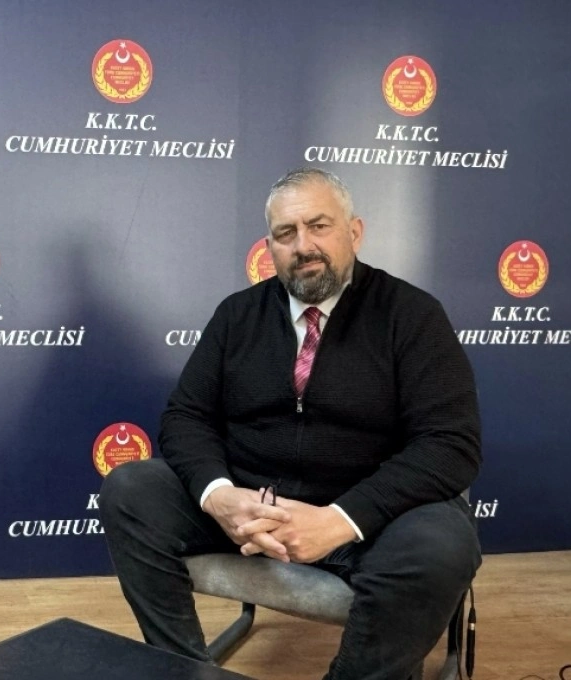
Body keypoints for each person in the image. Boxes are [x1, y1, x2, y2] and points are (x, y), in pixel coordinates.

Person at [100, 167, 481, 679]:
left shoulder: (412, 315)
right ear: (270, 247)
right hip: (250, 508)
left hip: (366, 519)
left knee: (442, 544)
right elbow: (186, 416)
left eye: (319, 226)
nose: (304, 245)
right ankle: (187, 672)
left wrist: (338, 520)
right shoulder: (237, 316)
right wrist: (220, 496)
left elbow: (451, 444)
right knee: (131, 489)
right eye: (286, 233)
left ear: (354, 232)